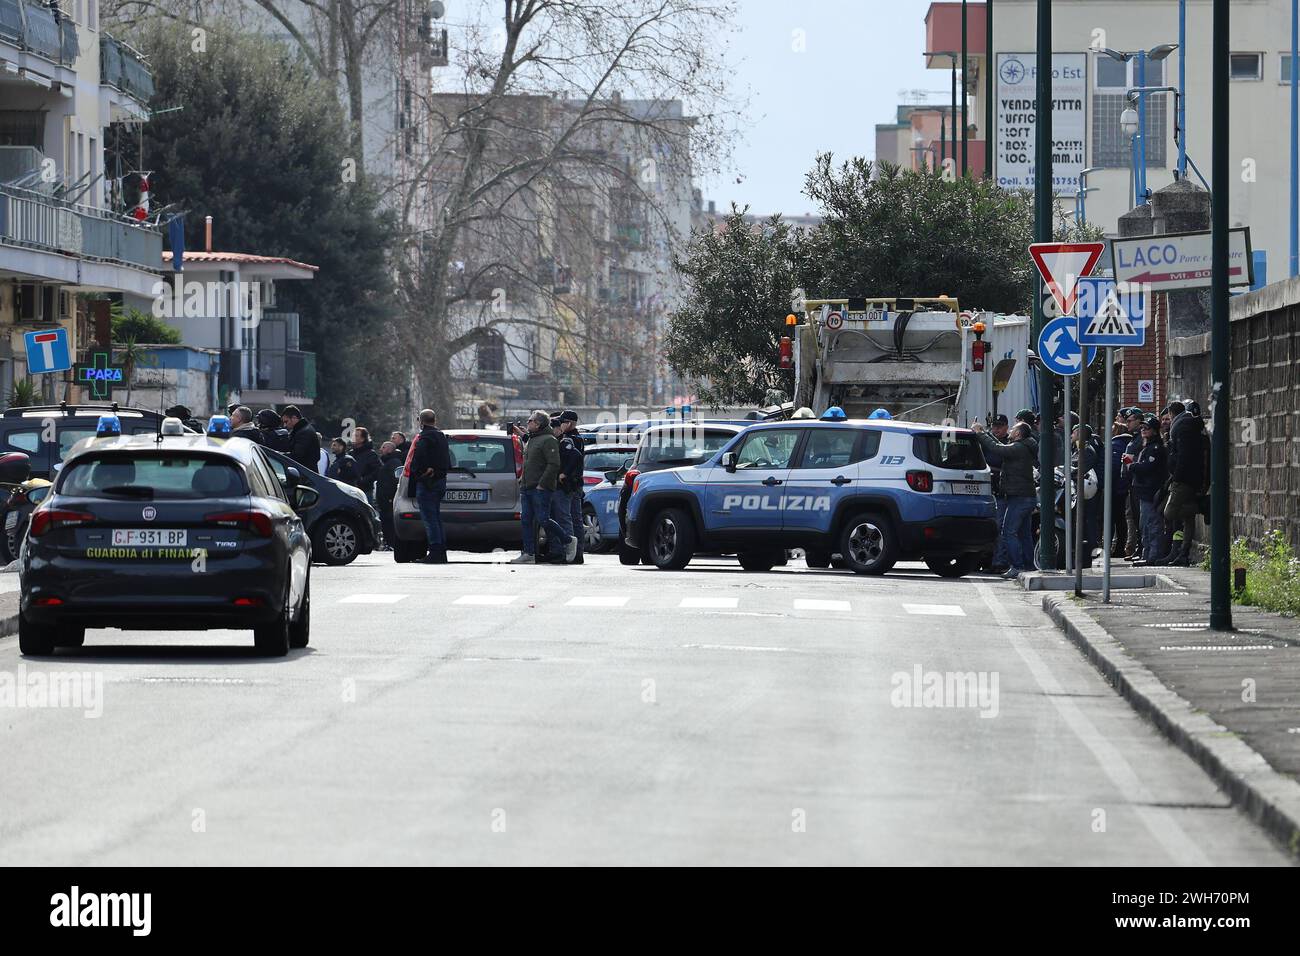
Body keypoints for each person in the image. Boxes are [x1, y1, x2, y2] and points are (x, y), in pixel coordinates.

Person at [972, 419, 1036, 579]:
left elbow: (997, 449)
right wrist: (985, 433)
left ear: (1019, 434)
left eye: (1014, 429)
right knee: (1024, 534)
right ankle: (1028, 566)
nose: (1011, 431)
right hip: (1025, 497)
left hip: (1019, 498)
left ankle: (1017, 566)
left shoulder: (1019, 448)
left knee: (1008, 532)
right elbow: (1000, 447)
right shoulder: (1024, 446)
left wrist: (979, 433)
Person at [514, 409, 574, 564]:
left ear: (538, 423)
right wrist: (522, 479)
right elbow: (529, 463)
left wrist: (543, 483)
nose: (528, 423)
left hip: (540, 489)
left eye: (530, 420)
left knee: (544, 519)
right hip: (527, 488)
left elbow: (554, 464)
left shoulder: (549, 440)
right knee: (526, 520)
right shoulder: (533, 439)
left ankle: (567, 540)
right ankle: (528, 553)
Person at [1162, 399, 1207, 566]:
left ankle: (1202, 507)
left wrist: (1176, 477)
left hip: (1183, 479)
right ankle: (1183, 553)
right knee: (1187, 518)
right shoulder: (1188, 427)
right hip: (1191, 477)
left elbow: (1182, 456)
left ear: (1172, 414)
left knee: (1168, 512)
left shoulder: (1182, 428)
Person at [408, 409, 451, 564]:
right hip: (440, 481)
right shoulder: (441, 436)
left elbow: (418, 458)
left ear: (421, 420)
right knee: (436, 518)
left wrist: (421, 472)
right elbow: (447, 459)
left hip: (428, 483)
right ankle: (441, 551)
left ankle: (435, 552)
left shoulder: (424, 437)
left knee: (429, 519)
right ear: (435, 420)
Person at [1128, 416, 1168, 564]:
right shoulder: (1148, 446)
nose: (1143, 430)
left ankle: (1153, 555)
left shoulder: (1155, 448)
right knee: (1144, 524)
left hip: (1151, 491)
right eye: (1142, 428)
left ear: (1155, 431)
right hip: (1144, 491)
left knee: (1152, 524)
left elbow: (1148, 467)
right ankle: (1147, 554)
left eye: (1147, 428)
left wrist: (1132, 465)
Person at [555, 410, 585, 564]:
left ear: (569, 423)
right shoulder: (575, 438)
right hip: (574, 485)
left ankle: (573, 553)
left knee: (568, 519)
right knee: (575, 519)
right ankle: (577, 554)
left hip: (569, 485)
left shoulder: (572, 439)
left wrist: (564, 473)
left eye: (562, 422)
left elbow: (575, 458)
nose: (559, 425)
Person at [983, 414, 1011, 572]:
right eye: (994, 426)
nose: (996, 429)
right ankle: (986, 561)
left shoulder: (1009, 443)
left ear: (1007, 427)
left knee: (1000, 528)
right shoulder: (986, 443)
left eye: (1000, 426)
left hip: (1001, 492)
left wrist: (992, 470)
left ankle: (999, 562)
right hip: (985, 491)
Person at [375, 440, 404, 550]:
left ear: (389, 449)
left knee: (390, 522)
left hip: (389, 500)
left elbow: (396, 480)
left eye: (383, 447)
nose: (380, 450)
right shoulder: (387, 462)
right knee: (386, 522)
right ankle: (388, 543)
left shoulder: (394, 462)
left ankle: (392, 544)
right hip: (384, 500)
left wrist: (390, 497)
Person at [282, 404, 321, 473]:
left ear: (294, 418)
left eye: (286, 421)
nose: (285, 425)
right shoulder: (302, 430)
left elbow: (296, 456)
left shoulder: (304, 432)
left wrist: (278, 455)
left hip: (306, 476)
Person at [350, 426, 383, 502]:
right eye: (353, 435)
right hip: (350, 489)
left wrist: (364, 480)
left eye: (356, 435)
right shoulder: (351, 453)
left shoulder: (371, 454)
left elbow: (378, 470)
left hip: (365, 491)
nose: (353, 438)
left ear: (362, 439)